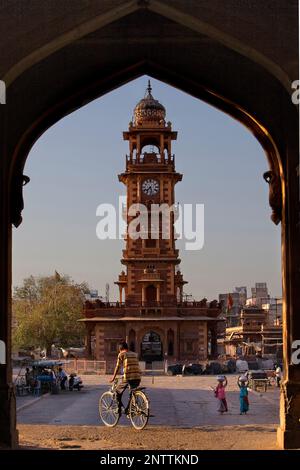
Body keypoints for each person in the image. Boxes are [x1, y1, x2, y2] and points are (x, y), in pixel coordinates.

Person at [110, 341, 142, 415]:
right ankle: (129, 409)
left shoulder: (121, 354)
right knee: (132, 393)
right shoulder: (135, 354)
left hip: (128, 377)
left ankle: (119, 409)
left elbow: (117, 367)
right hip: (137, 377)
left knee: (117, 391)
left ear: (120, 349)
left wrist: (113, 378)